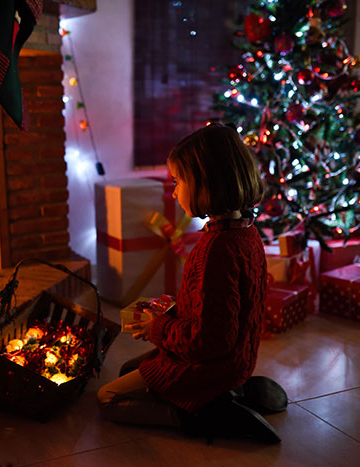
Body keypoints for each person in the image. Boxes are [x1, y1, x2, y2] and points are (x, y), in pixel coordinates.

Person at [97, 123, 281, 443]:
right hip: (237, 360)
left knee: (108, 399)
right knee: (128, 368)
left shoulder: (216, 250)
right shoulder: (245, 232)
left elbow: (207, 343)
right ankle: (231, 393)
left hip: (211, 366)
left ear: (204, 183)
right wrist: (169, 310)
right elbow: (217, 307)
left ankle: (199, 414)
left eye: (178, 181)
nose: (175, 191)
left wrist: (156, 328)